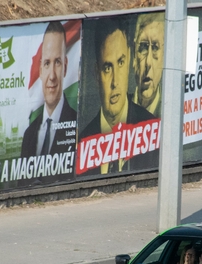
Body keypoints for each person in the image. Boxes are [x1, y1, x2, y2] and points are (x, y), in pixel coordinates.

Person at [80, 18, 156, 174]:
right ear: (96, 74)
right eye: (107, 68)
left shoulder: (153, 130)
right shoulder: (82, 144)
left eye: (121, 63)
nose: (115, 82)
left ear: (129, 59)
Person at [21, 22, 77, 160]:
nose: (52, 76)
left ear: (65, 66)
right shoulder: (29, 135)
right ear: (40, 70)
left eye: (57, 62)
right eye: (47, 63)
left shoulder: (77, 123)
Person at [132, 13, 164, 117]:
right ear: (134, 56)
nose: (148, 63)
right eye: (143, 47)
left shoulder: (172, 110)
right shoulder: (119, 114)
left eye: (155, 48)